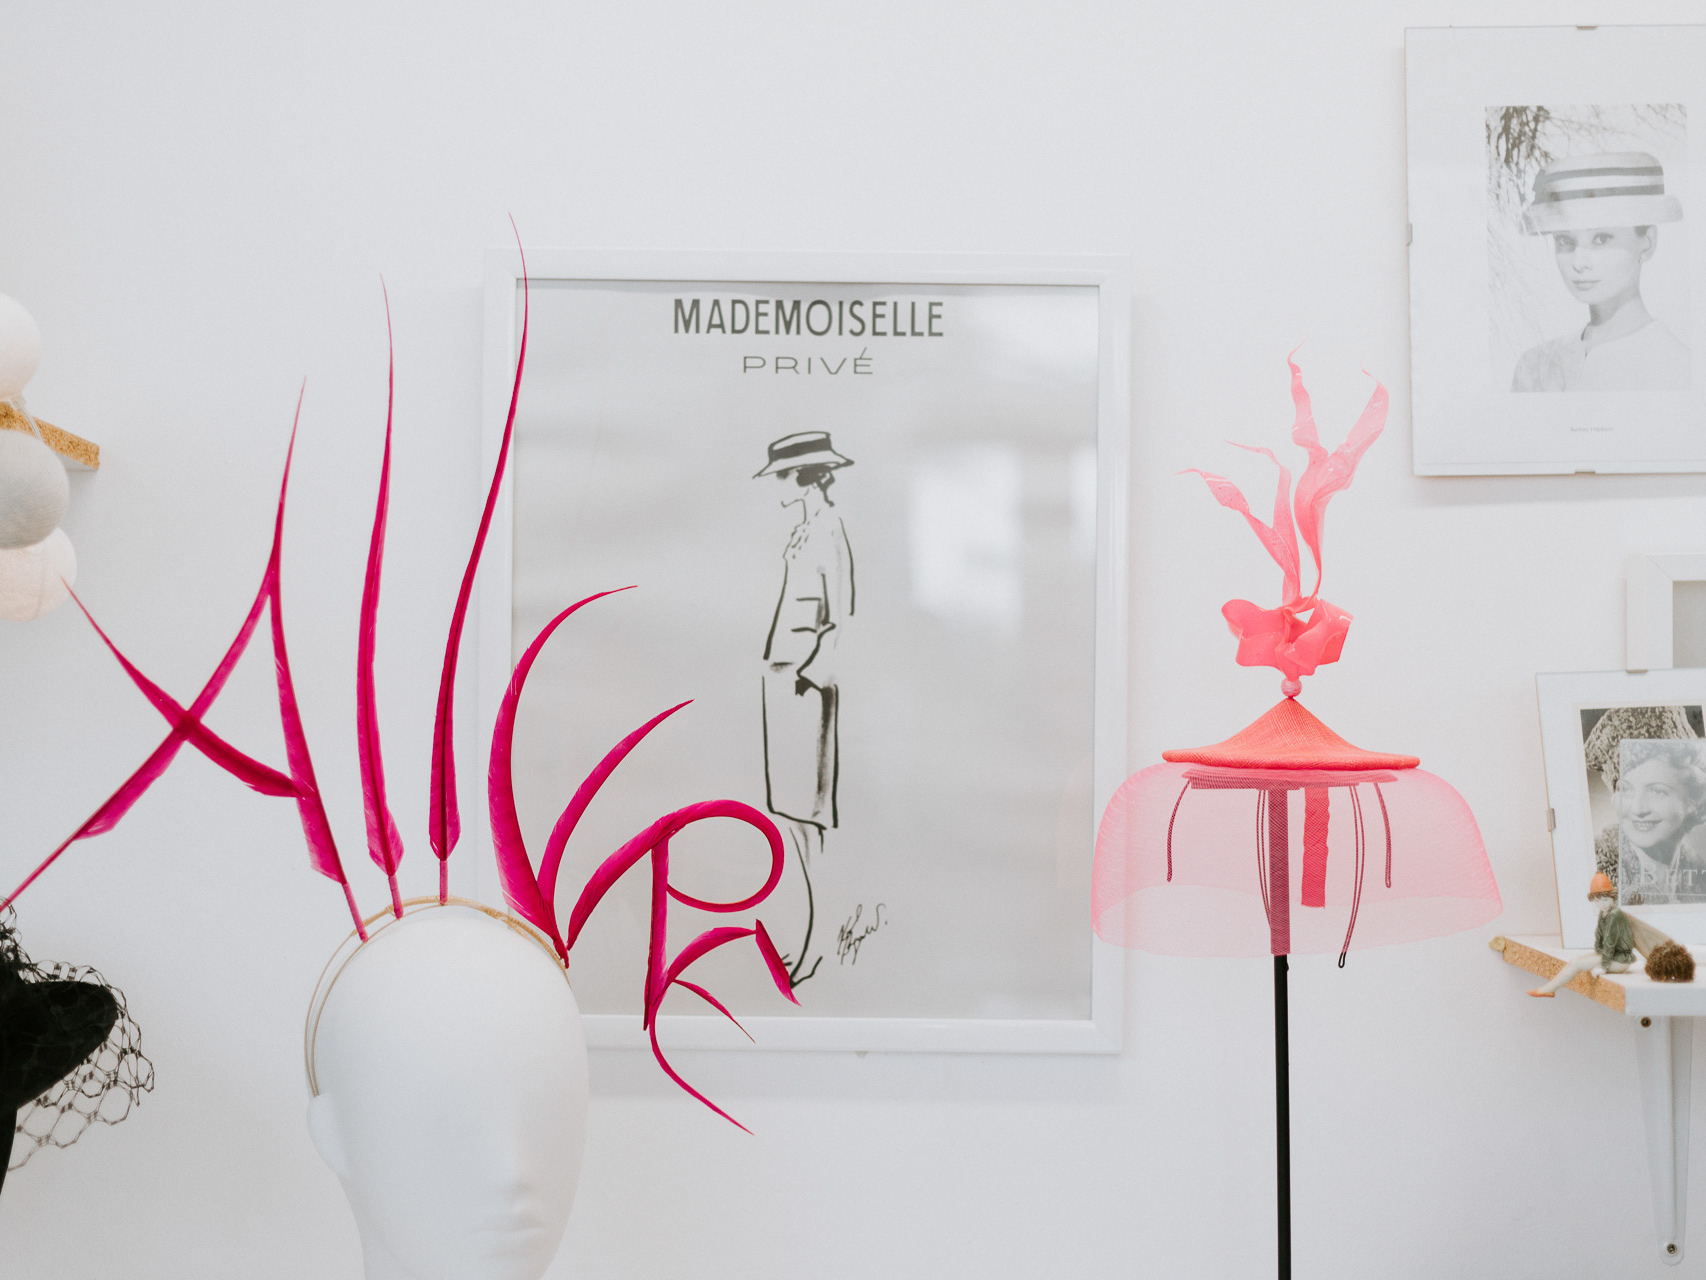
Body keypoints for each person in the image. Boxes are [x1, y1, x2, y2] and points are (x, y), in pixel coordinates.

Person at [754, 431, 855, 987]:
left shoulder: (829, 530)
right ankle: (811, 940)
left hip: (805, 688)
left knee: (809, 819)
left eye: (781, 477)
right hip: (783, 682)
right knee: (791, 817)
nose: (777, 486)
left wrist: (808, 676)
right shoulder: (805, 529)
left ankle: (818, 946)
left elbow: (840, 619)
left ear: (803, 477)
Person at [1511, 151, 1689, 393]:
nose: (1578, 262)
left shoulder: (1678, 368)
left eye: (1601, 238)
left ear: (1647, 242)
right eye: (1565, 241)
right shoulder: (1535, 366)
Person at [1611, 738, 1706, 904]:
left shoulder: (1699, 872)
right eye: (1625, 789)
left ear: (1694, 801)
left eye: (1657, 791)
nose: (1637, 809)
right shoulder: (1601, 872)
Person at [1529, 872, 1635, 996]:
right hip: (1610, 955)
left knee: (1576, 964)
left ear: (1613, 898)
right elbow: (1599, 936)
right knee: (1574, 961)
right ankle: (1549, 988)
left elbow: (1610, 942)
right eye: (1598, 901)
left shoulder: (1615, 914)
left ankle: (1549, 989)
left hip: (1620, 960)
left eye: (1606, 900)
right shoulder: (1603, 913)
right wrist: (1597, 954)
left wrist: (1604, 966)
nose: (1602, 904)